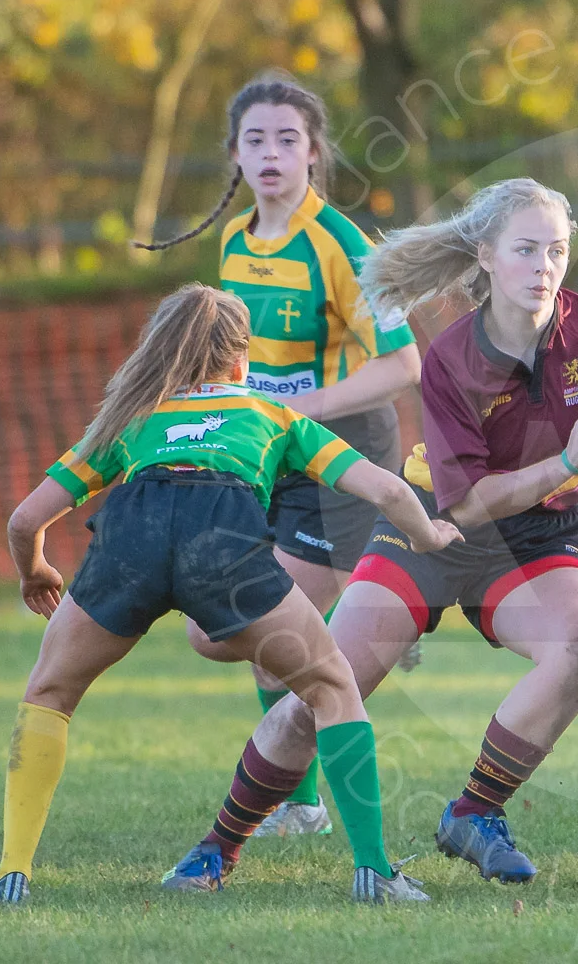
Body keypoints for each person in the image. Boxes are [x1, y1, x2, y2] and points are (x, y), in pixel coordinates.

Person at [161, 178, 578, 891]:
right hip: (431, 526)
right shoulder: (453, 357)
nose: (544, 265)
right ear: (485, 256)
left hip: (540, 534)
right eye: (525, 250)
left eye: (556, 250)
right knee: (324, 689)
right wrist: (565, 461)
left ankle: (475, 813)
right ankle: (219, 845)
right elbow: (472, 502)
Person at [0, 284, 460, 906]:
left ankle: (11, 876)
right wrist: (430, 534)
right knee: (332, 689)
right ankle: (374, 874)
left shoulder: (130, 418)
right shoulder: (273, 415)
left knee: (49, 692)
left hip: (132, 540)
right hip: (223, 545)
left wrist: (33, 571)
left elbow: (23, 520)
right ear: (240, 359)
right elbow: (387, 492)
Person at [136, 75, 423, 836]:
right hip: (263, 460)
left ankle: (377, 629)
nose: (271, 153)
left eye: (287, 139)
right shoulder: (232, 242)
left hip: (339, 464)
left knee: (245, 628)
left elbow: (404, 366)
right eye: (255, 139)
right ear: (233, 153)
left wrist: (298, 409)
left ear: (314, 153)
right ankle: (297, 804)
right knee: (241, 637)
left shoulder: (342, 243)